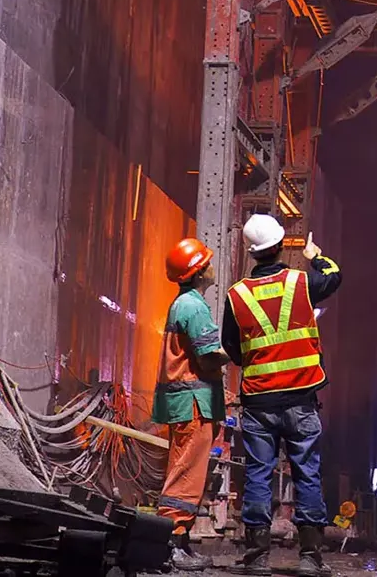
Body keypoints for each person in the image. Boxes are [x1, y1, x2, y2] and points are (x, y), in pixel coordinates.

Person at [222, 213, 342, 576]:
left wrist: (261, 364)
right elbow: (333, 277)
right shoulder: (302, 282)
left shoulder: (236, 295)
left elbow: (232, 345)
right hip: (301, 397)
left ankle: (257, 557)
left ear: (252, 252)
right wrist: (315, 255)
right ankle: (309, 557)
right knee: (306, 472)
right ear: (279, 247)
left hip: (259, 400)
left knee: (258, 473)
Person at [151, 236, 227, 571]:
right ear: (199, 272)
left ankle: (179, 541)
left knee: (185, 471)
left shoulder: (182, 303)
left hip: (186, 402)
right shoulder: (195, 307)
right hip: (194, 404)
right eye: (207, 261)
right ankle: (169, 545)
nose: (212, 265)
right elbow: (209, 356)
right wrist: (242, 352)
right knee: (185, 474)